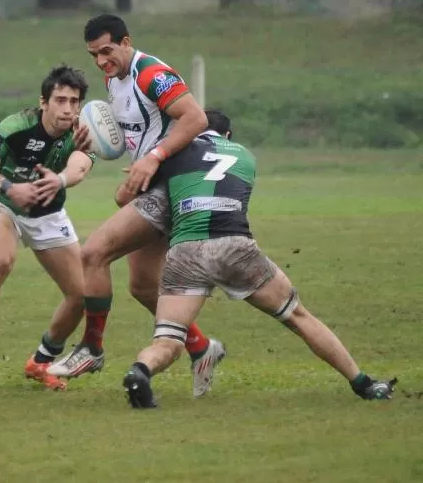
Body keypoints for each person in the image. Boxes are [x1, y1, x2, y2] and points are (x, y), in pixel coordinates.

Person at [122, 110, 397, 407]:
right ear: (227, 135)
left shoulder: (171, 155)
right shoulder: (245, 155)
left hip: (185, 250)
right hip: (235, 247)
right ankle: (365, 385)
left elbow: (127, 199)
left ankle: (140, 372)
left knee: (168, 341)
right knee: (297, 316)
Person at [49, 14, 226, 398]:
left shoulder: (152, 73)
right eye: (94, 54)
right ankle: (200, 347)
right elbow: (130, 135)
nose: (100, 61)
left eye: (107, 51)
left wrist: (153, 159)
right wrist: (92, 139)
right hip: (154, 184)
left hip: (173, 182)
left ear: (126, 41)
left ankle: (92, 348)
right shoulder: (113, 78)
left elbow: (194, 118)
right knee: (144, 286)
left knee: (94, 253)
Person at [0, 65, 96, 390]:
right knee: (1, 260)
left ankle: (41, 362)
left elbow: (80, 166)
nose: (68, 108)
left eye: (74, 101)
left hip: (48, 214)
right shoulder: (19, 125)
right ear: (44, 101)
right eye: (60, 99)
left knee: (82, 295)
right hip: (5, 204)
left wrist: (59, 180)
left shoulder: (84, 132)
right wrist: (9, 187)